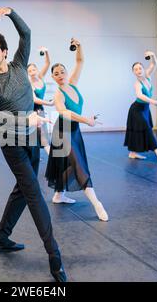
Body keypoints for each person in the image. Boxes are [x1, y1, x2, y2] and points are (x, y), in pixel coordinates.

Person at [0, 6, 66, 282]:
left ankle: (1, 238)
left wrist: (11, 13)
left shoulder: (19, 64)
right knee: (33, 193)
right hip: (12, 144)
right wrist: (24, 120)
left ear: (4, 51)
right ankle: (54, 255)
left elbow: (26, 33)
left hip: (32, 140)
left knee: (22, 189)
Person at [45, 38, 109, 221]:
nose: (60, 75)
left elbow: (80, 61)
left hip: (74, 132)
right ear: (53, 78)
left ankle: (58, 194)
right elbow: (64, 113)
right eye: (56, 73)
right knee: (80, 166)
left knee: (71, 165)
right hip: (62, 132)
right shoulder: (58, 94)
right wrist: (86, 120)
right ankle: (97, 204)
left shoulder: (72, 83)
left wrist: (79, 46)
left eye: (62, 71)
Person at [124, 51, 157, 165]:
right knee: (147, 129)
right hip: (136, 110)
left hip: (145, 109)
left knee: (141, 130)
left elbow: (154, 64)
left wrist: (152, 55)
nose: (138, 70)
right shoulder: (137, 84)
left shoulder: (147, 76)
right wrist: (155, 102)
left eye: (140, 68)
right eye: (136, 69)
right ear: (133, 72)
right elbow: (140, 95)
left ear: (143, 68)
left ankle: (132, 153)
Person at [27, 47, 54, 155]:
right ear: (27, 73)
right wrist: (50, 103)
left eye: (33, 70)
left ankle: (51, 161)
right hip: (32, 111)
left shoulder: (41, 77)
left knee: (43, 137)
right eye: (29, 71)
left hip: (40, 110)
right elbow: (35, 99)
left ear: (37, 70)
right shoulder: (29, 84)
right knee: (38, 138)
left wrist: (46, 51)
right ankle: (52, 161)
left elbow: (48, 63)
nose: (32, 72)